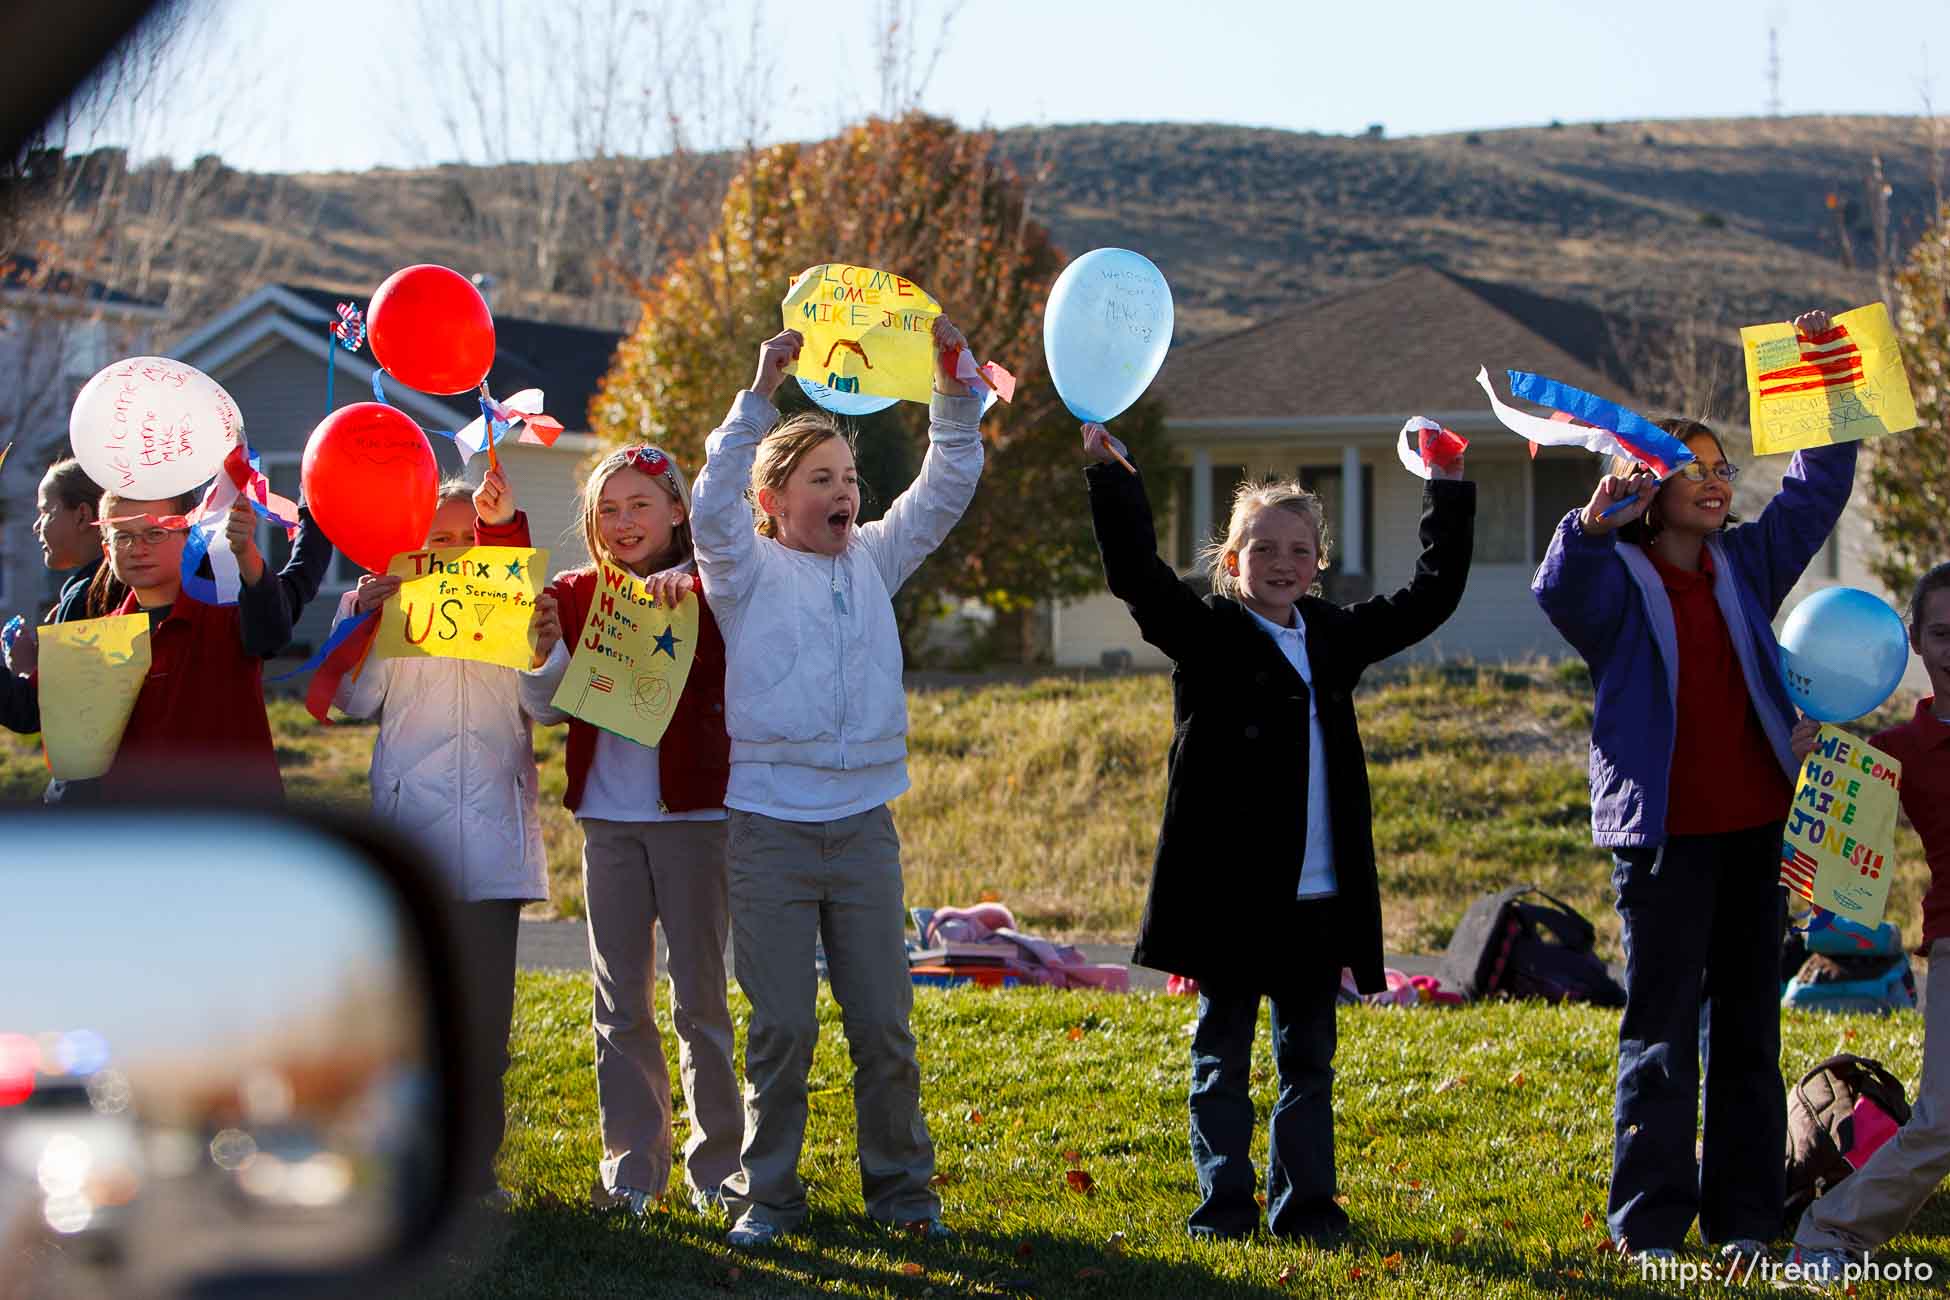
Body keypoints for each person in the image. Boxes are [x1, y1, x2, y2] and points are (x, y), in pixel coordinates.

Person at [1082, 420, 1473, 1242]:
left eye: (1300, 549)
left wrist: (1447, 485)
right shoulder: (1209, 636)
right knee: (1221, 1057)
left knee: (1309, 1061)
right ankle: (1224, 1208)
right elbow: (1139, 578)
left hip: (1318, 897)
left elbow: (1431, 595)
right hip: (1232, 898)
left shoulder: (1334, 637)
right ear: (1232, 563)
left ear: (1318, 564)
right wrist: (1114, 481)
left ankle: (1307, 1209)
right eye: (1262, 548)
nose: (1282, 562)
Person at [1531, 310, 1856, 1264]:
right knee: (1663, 1036)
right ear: (1650, 486)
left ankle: (1748, 1220)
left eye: (1723, 468)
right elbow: (1559, 586)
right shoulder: (1614, 582)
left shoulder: (1747, 565)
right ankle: (1650, 1227)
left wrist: (1820, 376)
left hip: (1758, 833)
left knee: (1752, 1035)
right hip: (1664, 843)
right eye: (1694, 467)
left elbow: (1815, 489)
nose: (1716, 480)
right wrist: (1592, 518)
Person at [690, 318, 983, 1246]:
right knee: (780, 1035)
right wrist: (759, 392)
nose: (845, 493)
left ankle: (901, 1194)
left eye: (850, 479)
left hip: (863, 828)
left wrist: (951, 390)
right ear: (772, 500)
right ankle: (767, 1200)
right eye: (822, 480)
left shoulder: (874, 558)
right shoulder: (741, 571)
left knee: (885, 1033)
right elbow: (705, 510)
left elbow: (944, 489)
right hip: (768, 831)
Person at [521, 444, 742, 1217]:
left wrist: (702, 590)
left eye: (641, 504)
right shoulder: (574, 593)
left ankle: (718, 1168)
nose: (624, 522)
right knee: (619, 1003)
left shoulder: (713, 589)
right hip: (608, 823)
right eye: (607, 509)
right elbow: (546, 707)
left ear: (678, 510)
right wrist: (541, 651)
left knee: (701, 999)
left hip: (695, 820)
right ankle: (633, 1168)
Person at [324, 467, 546, 1202]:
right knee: (414, 1018)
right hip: (411, 843)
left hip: (493, 846)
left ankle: (476, 1172)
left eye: (466, 539)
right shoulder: (385, 612)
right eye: (435, 540)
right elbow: (351, 700)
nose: (451, 553)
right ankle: (412, 1165)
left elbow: (546, 706)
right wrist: (359, 614)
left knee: (485, 1025)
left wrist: (544, 641)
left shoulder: (512, 613)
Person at [1781, 561, 1950, 1285]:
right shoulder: (1897, 753)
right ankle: (1828, 1232)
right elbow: (1827, 841)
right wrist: (1803, 766)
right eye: (1944, 631)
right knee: (1942, 1122)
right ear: (1914, 641)